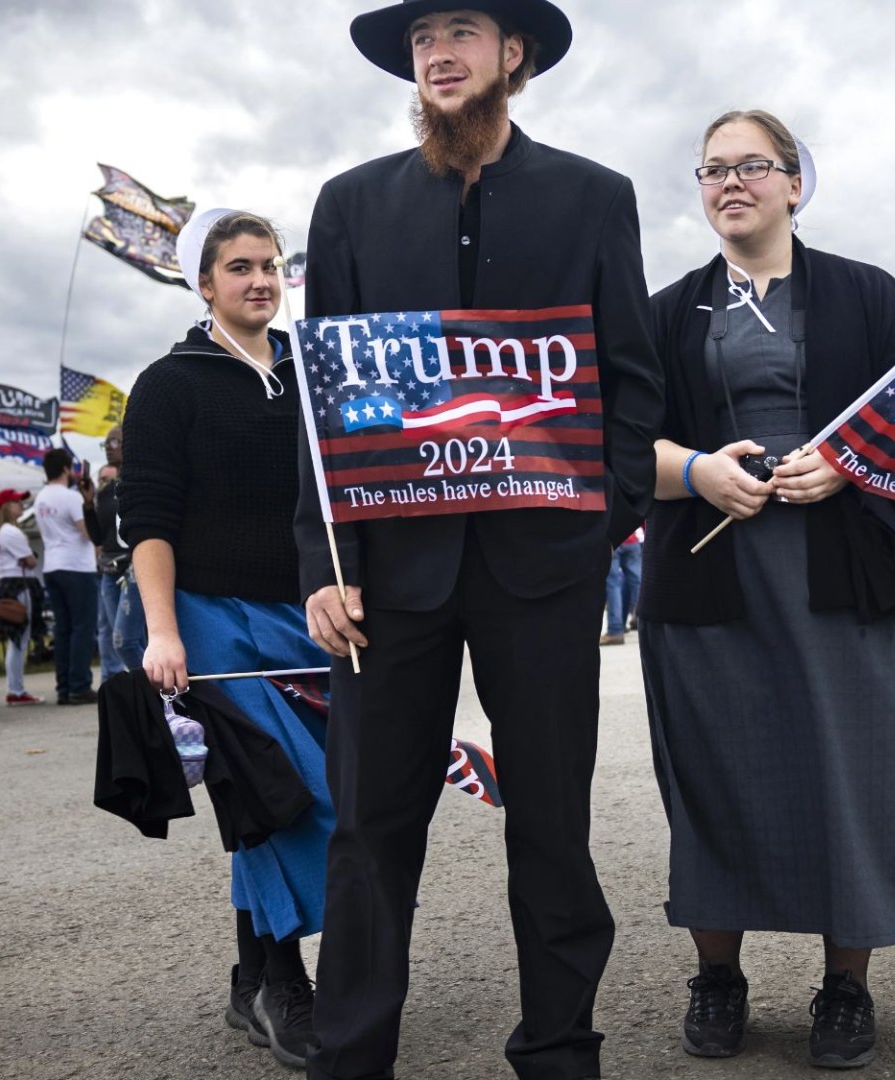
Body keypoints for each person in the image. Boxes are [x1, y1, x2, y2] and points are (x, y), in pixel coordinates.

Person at [293, 4, 664, 1077]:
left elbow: (631, 380)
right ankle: (352, 1052)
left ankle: (559, 1047)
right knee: (370, 825)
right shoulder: (351, 204)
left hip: (543, 568)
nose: (438, 53)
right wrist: (323, 566)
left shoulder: (595, 197)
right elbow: (322, 406)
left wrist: (604, 520)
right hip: (388, 576)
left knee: (550, 819)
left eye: (461, 30)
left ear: (515, 55)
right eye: (421, 41)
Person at [641, 109, 895, 1070]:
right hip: (712, 581)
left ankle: (846, 989)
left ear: (795, 184)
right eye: (713, 170)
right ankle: (719, 979)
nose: (730, 183)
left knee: (853, 774)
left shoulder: (867, 293)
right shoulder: (663, 311)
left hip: (849, 574)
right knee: (718, 776)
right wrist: (696, 471)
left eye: (753, 167)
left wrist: (853, 465)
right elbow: (613, 451)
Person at [119, 207, 334, 1070]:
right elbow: (151, 521)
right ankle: (285, 983)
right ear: (203, 283)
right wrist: (162, 631)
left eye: (270, 266)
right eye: (239, 267)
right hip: (211, 621)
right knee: (279, 791)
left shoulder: (314, 375)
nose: (259, 280)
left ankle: (251, 977)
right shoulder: (169, 383)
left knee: (306, 789)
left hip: (307, 615)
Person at [36, 447, 100, 705]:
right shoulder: (71, 497)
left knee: (63, 630)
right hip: (76, 565)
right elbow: (88, 533)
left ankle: (64, 686)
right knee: (83, 628)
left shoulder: (41, 497)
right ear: (66, 469)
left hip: (52, 565)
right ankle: (79, 686)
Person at [91, 428, 141, 679]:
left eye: (114, 441)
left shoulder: (141, 480)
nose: (109, 447)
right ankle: (155, 702)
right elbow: (98, 537)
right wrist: (87, 504)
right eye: (106, 443)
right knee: (118, 638)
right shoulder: (105, 491)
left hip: (136, 569)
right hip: (109, 572)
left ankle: (166, 698)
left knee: (126, 641)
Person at [0, 488, 43, 705]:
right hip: (18, 584)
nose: (21, 505)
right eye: (17, 502)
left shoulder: (2, 531)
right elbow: (30, 560)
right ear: (6, 506)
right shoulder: (10, 532)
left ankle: (16, 688)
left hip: (10, 583)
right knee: (19, 638)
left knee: (17, 638)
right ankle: (16, 689)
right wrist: (29, 557)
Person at [600, 528, 641, 645]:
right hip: (632, 540)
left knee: (613, 585)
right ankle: (639, 619)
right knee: (637, 582)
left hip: (612, 541)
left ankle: (615, 629)